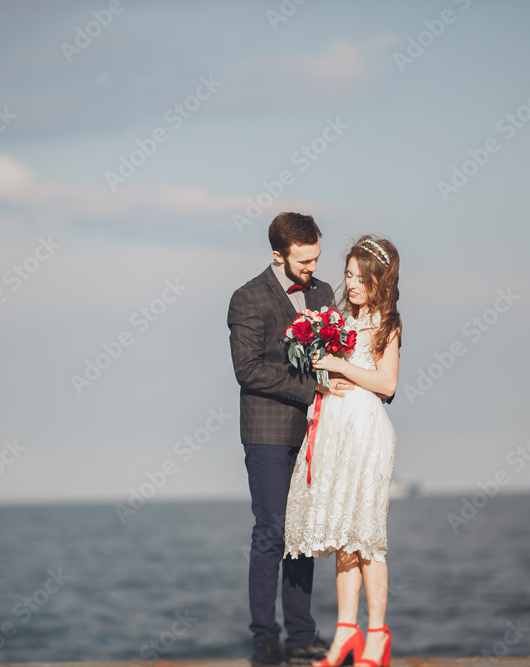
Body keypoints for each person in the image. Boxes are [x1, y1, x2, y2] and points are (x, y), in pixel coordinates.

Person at [227, 212, 347, 667]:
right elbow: (248, 370)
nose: (312, 269)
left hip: (317, 431)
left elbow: (334, 355)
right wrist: (311, 387)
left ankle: (302, 638)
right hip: (268, 433)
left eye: (316, 258)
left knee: (303, 535)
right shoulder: (247, 298)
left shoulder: (322, 293)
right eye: (303, 261)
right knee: (271, 534)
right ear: (278, 255)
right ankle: (265, 642)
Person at [283, 234, 402, 667]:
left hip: (367, 431)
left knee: (367, 538)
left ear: (379, 280)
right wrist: (320, 370)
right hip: (333, 429)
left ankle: (377, 634)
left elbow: (387, 384)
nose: (352, 284)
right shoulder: (335, 319)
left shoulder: (388, 323)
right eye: (348, 274)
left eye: (361, 277)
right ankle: (345, 631)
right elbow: (325, 371)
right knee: (342, 538)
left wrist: (339, 364)